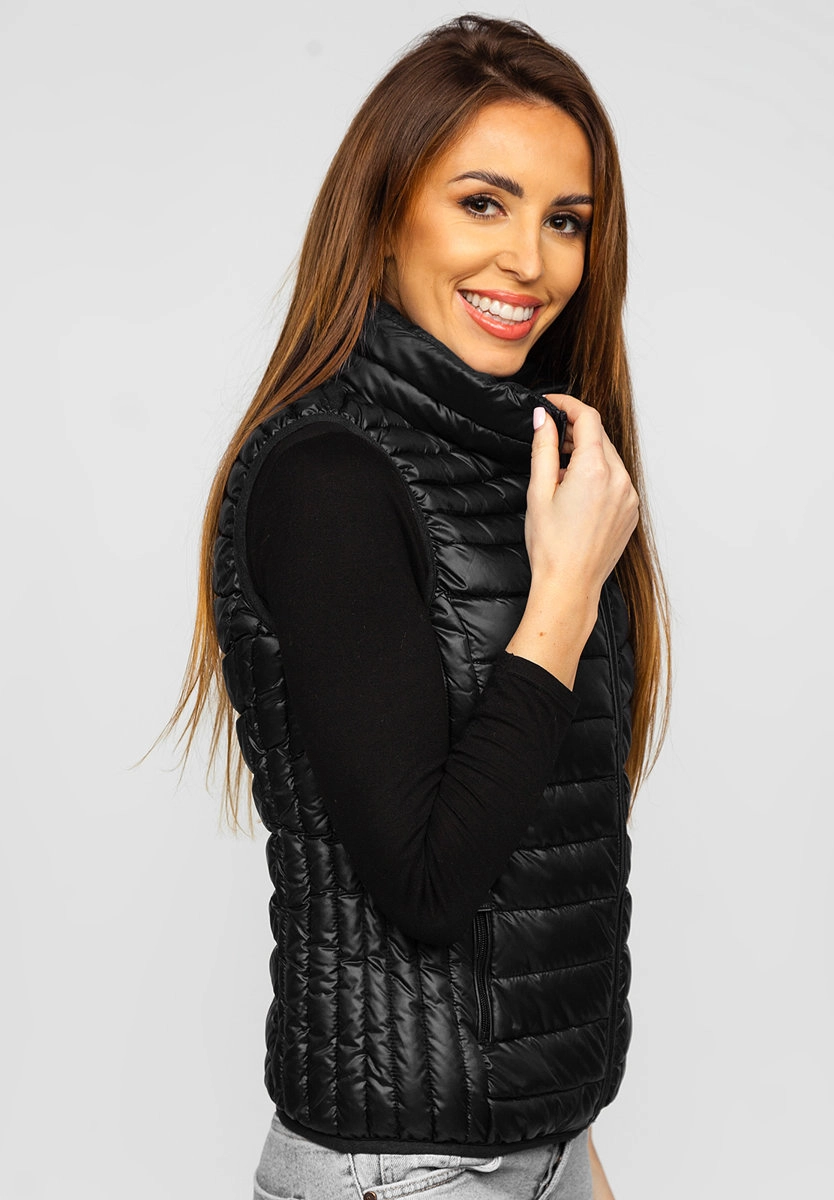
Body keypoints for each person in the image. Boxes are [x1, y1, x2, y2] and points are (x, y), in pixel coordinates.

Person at [165, 14, 670, 1199]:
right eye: (483, 203)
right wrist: (564, 595)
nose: (530, 262)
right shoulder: (327, 480)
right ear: (389, 212)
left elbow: (545, 859)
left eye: (566, 221)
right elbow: (430, 887)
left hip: (545, 1150)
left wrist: (572, 1154)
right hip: (404, 1172)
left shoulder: (531, 464)